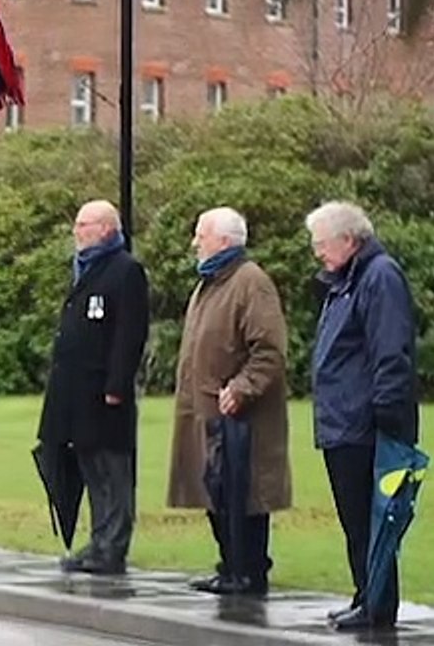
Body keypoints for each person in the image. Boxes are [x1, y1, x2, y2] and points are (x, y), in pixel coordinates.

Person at [306, 201, 419, 631]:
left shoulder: (378, 277)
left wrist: (386, 416)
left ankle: (377, 605)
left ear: (349, 240)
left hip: (364, 423)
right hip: (342, 421)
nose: (318, 253)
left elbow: (391, 351)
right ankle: (365, 594)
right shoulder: (346, 281)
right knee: (354, 520)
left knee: (372, 520)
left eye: (322, 244)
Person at [167, 207, 291, 596]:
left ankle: (250, 571)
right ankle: (230, 566)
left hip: (240, 419)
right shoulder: (210, 283)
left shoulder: (250, 283)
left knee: (246, 494)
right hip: (205, 413)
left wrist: (242, 387)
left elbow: (269, 349)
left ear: (223, 240)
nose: (194, 243)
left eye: (200, 235)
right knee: (215, 491)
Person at [36, 199, 150, 575]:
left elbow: (129, 333)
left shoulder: (125, 271)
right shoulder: (85, 269)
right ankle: (98, 540)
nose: (76, 232)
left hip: (105, 391)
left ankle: (113, 545)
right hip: (76, 393)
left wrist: (117, 384)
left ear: (105, 229)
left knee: (112, 470)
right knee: (89, 469)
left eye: (84, 225)